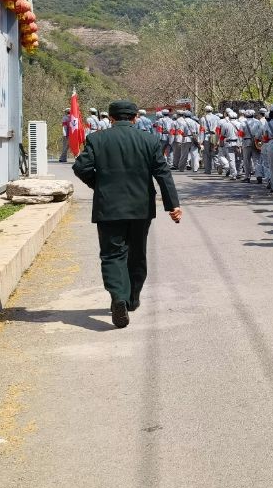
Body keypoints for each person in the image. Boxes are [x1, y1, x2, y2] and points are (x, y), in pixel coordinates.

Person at [71, 100, 182, 328]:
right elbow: (163, 173)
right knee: (137, 253)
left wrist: (98, 184)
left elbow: (81, 167)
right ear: (135, 118)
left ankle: (118, 297)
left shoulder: (97, 139)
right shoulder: (149, 140)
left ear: (111, 118)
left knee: (112, 254)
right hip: (141, 207)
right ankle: (131, 299)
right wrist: (173, 205)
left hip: (108, 207)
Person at [200, 106, 220, 174]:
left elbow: (202, 130)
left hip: (206, 136)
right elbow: (218, 129)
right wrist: (218, 139)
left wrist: (201, 141)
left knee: (206, 154)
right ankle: (218, 164)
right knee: (215, 152)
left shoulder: (203, 118)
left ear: (205, 110)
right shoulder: (217, 118)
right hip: (215, 136)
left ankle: (208, 170)